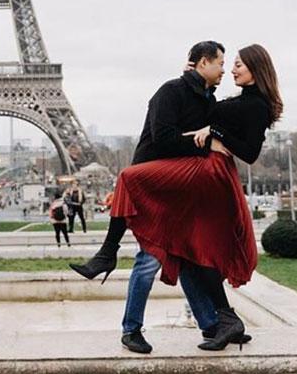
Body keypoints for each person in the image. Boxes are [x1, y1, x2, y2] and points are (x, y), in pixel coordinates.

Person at [70, 42, 281, 355]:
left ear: (255, 69)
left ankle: (214, 322)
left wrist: (214, 134)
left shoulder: (233, 102)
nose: (228, 69)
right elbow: (167, 137)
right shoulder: (175, 92)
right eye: (223, 63)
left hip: (187, 181)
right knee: (174, 256)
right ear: (203, 63)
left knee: (184, 254)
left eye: (235, 64)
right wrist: (209, 138)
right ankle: (199, 323)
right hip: (163, 180)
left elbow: (239, 142)